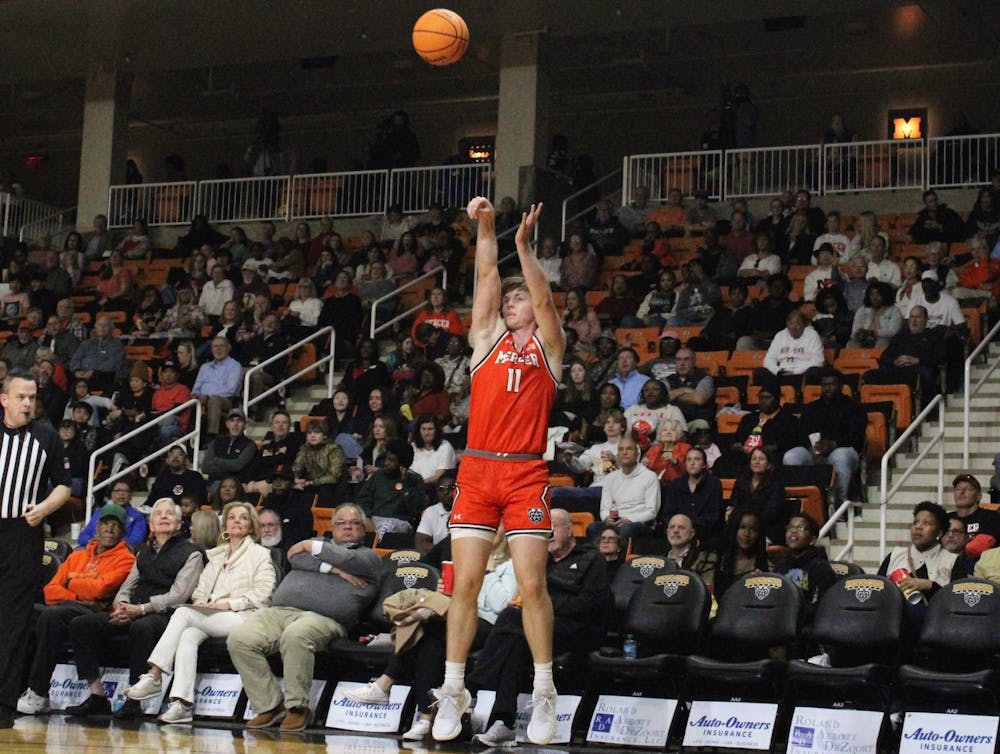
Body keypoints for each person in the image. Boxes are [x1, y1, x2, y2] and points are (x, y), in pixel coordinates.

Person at [434, 198, 566, 745]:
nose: (512, 303)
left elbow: (543, 297)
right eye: (508, 301)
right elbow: (486, 274)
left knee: (531, 586)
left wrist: (525, 249)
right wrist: (485, 224)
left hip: (526, 473)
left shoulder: (549, 347)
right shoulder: (484, 342)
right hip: (478, 469)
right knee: (464, 584)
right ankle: (453, 690)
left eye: (520, 299)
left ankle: (543, 693)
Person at [348, 528, 518, 742]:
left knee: (426, 625)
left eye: (491, 532)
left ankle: (387, 684)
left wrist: (486, 572)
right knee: (428, 636)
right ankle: (425, 718)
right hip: (459, 616)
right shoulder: (467, 560)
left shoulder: (511, 564)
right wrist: (446, 590)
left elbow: (502, 604)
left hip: (491, 627)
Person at [227, 503, 380, 732]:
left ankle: (298, 707)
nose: (348, 527)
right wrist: (334, 570)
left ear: (364, 529)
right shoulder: (321, 547)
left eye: (354, 523)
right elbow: (295, 557)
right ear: (332, 526)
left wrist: (311, 546)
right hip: (280, 612)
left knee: (296, 635)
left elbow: (350, 560)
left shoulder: (368, 557)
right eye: (341, 522)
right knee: (239, 638)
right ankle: (269, 705)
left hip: (324, 618)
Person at [465, 509, 610, 747]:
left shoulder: (591, 558)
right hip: (544, 627)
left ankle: (472, 686)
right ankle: (504, 723)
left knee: (514, 619)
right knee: (516, 640)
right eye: (544, 527)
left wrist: (543, 605)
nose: (548, 532)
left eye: (555, 526)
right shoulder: (541, 561)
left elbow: (595, 605)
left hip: (583, 629)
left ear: (570, 529)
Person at [124, 502, 276, 724]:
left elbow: (265, 594)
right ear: (225, 524)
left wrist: (228, 604)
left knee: (183, 614)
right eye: (231, 517)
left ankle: (155, 675)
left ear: (252, 526)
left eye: (242, 518)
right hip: (212, 615)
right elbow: (199, 591)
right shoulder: (216, 555)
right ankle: (183, 704)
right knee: (188, 635)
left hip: (245, 616)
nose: (236, 521)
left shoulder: (260, 554)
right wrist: (204, 603)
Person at [63, 498, 205, 719]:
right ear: (151, 524)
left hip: (166, 615)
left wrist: (140, 609)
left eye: (170, 514)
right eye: (159, 513)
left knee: (141, 628)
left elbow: (179, 595)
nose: (164, 516)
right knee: (81, 624)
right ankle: (97, 695)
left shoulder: (192, 552)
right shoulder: (143, 552)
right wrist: (121, 607)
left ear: (178, 524)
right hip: (132, 610)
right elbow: (127, 586)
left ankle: (134, 700)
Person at [16, 503, 135, 716]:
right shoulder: (77, 555)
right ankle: (16, 684)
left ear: (123, 531)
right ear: (97, 528)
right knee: (26, 614)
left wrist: (71, 581)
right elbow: (50, 591)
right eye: (105, 524)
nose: (109, 529)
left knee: (51, 615)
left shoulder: (126, 559)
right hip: (72, 606)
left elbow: (100, 589)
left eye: (115, 526)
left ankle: (38, 692)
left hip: (97, 614)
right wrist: (78, 594)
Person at [0, 371, 71, 727]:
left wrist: (44, 508)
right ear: (4, 399)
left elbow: (63, 485)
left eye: (32, 396)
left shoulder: (46, 436)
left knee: (13, 621)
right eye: (21, 396)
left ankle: (3, 706)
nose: (28, 402)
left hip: (21, 533)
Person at [783, 368, 866, 509]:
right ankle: (797, 501)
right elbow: (800, 432)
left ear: (841, 386)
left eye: (832, 384)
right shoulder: (811, 408)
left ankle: (840, 504)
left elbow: (856, 436)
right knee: (791, 456)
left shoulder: (854, 408)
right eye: (824, 384)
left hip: (841, 449)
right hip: (813, 450)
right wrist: (812, 450)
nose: (828, 388)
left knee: (842, 455)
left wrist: (833, 444)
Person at [879, 502, 961, 609]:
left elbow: (958, 601)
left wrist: (930, 585)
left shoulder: (953, 561)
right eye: (915, 522)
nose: (918, 527)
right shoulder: (895, 555)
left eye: (926, 523)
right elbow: (877, 591)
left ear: (939, 533)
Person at [586, 436, 660, 539]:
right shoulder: (610, 478)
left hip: (638, 523)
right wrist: (607, 518)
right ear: (617, 455)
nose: (624, 452)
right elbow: (604, 508)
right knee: (593, 528)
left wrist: (629, 519)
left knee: (626, 529)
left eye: (629, 449)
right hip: (615, 522)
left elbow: (652, 512)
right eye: (621, 449)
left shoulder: (650, 476)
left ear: (637, 454)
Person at [772, 513, 837, 622]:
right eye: (790, 527)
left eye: (801, 528)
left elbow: (820, 606)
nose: (793, 531)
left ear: (812, 540)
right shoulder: (781, 565)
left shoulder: (820, 567)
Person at [661, 447, 724, 546]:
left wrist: (689, 527)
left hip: (704, 531)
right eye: (689, 459)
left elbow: (714, 515)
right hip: (678, 530)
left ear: (704, 465)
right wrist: (680, 527)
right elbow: (668, 514)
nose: (692, 463)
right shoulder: (675, 485)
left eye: (697, 459)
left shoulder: (714, 484)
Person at [727, 448, 788, 545]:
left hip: (766, 529)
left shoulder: (776, 485)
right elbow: (733, 504)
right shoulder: (741, 482)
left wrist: (741, 513)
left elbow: (771, 513)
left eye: (761, 459)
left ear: (769, 465)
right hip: (741, 526)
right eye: (754, 459)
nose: (757, 462)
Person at [191, 337, 243, 437]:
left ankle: (212, 435)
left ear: (228, 348)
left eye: (221, 346)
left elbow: (231, 390)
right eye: (215, 346)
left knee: (214, 400)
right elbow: (196, 388)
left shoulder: (234, 366)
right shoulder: (205, 367)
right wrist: (196, 396)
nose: (218, 349)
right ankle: (190, 440)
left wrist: (207, 396)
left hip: (226, 401)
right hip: (202, 400)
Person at [77, 478, 148, 548]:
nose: (121, 494)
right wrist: (94, 541)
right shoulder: (100, 512)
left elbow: (136, 540)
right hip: (94, 547)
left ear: (130, 496)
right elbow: (82, 536)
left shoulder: (138, 517)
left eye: (125, 491)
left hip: (120, 550)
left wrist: (110, 541)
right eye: (117, 491)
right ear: (111, 494)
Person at [715, 510, 769, 596]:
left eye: (753, 529)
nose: (747, 534)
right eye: (742, 527)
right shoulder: (716, 557)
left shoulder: (763, 564)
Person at [950, 473, 1000, 564]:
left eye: (968, 489)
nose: (962, 492)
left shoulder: (990, 517)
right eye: (958, 489)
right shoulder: (946, 519)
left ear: (979, 496)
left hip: (979, 571)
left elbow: (978, 548)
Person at [663, 513, 717, 592]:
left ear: (692, 534)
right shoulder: (660, 561)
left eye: (681, 528)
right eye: (672, 527)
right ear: (667, 532)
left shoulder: (705, 558)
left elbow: (707, 591)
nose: (675, 530)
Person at [147, 443, 207, 508]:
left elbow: (201, 501)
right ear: (167, 459)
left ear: (185, 460)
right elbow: (151, 501)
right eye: (172, 454)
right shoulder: (162, 478)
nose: (175, 457)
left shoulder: (195, 477)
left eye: (180, 454)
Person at [415, 472, 457, 554]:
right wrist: (445, 552)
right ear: (437, 492)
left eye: (451, 488)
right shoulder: (431, 511)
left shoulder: (467, 511)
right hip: (437, 559)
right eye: (441, 489)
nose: (446, 492)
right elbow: (421, 543)